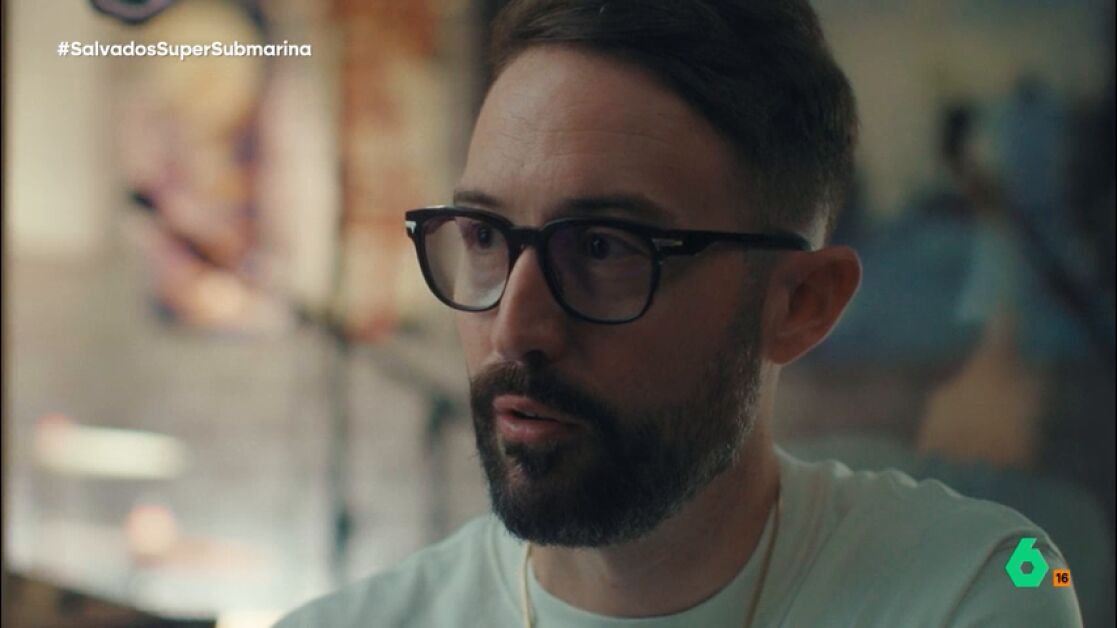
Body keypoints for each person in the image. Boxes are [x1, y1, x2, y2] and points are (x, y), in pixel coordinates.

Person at [276, 1, 1082, 625]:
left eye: (602, 248)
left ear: (800, 305)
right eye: (485, 236)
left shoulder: (982, 584)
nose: (514, 329)